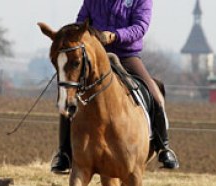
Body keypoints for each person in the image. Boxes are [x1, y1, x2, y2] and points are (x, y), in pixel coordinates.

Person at [51, 0, 179, 174]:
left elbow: (140, 26)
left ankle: (163, 147)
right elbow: (80, 23)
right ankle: (64, 153)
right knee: (69, 97)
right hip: (96, 57)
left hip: (127, 56)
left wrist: (115, 35)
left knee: (156, 95)